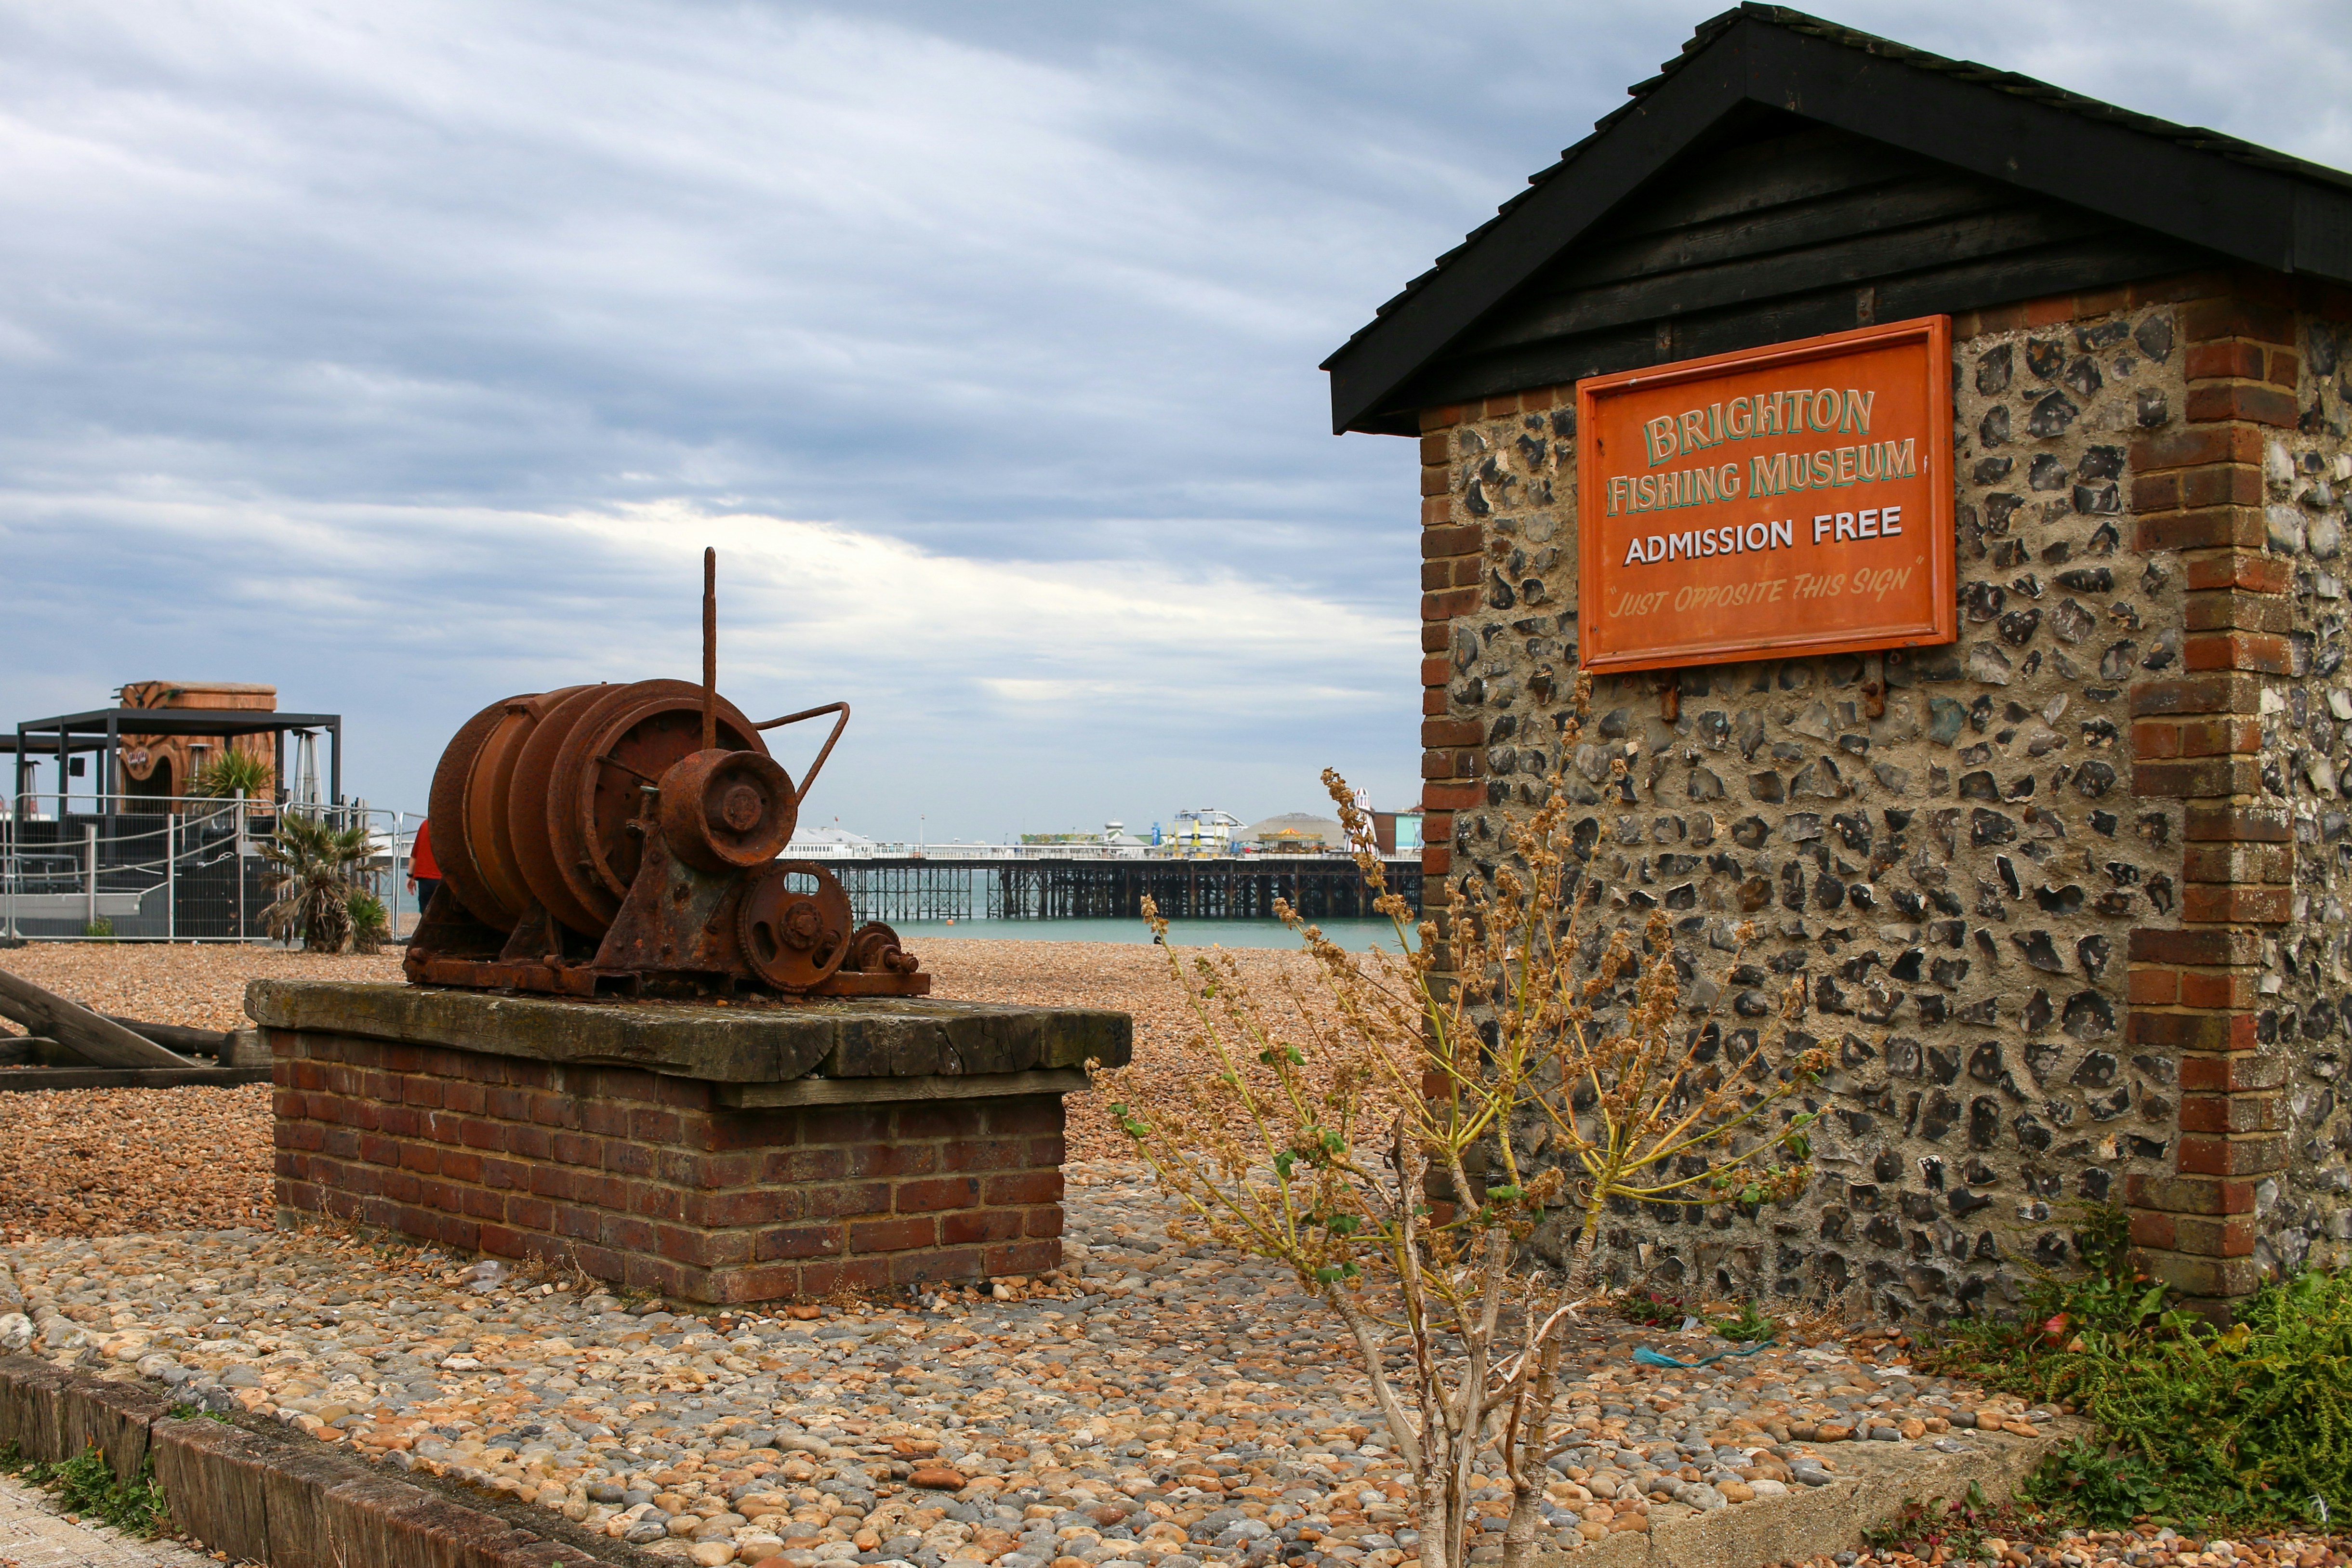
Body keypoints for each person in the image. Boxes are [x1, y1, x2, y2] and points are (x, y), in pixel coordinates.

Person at [409, 818, 442, 918]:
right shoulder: (451, 825)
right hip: (444, 878)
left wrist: (410, 876)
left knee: (426, 916)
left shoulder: (425, 824)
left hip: (425, 879)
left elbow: (414, 854)